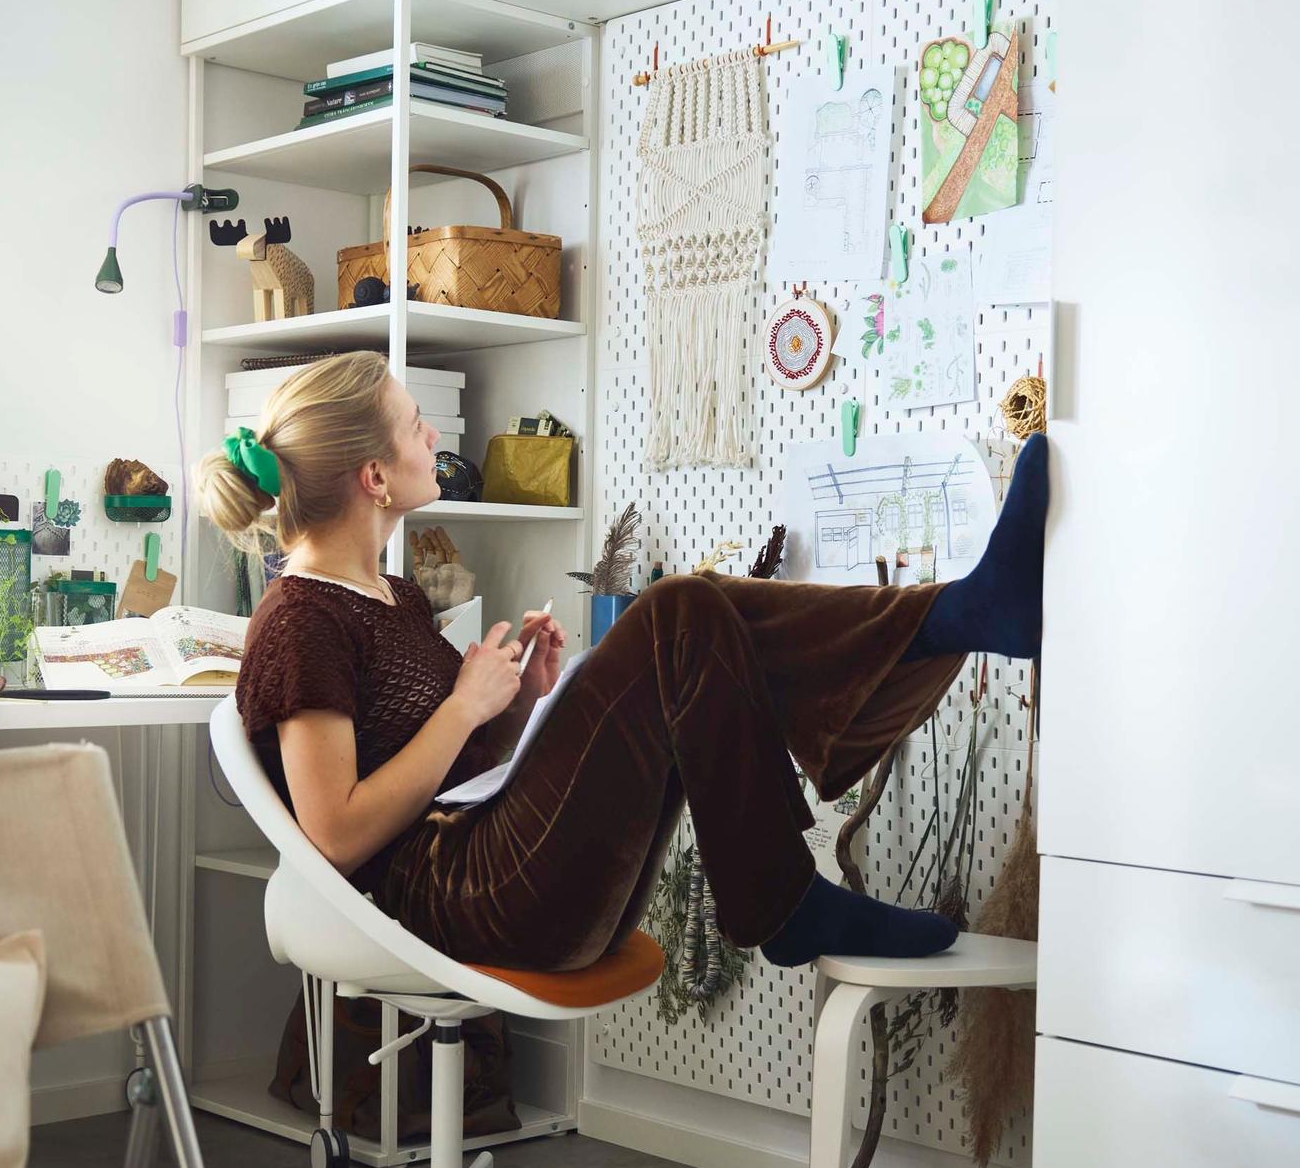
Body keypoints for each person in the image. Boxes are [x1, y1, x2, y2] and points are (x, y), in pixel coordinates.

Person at [196, 351, 1048, 975]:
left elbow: (454, 777)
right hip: (452, 905)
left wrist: (520, 708)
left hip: (494, 869)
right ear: (374, 477)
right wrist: (463, 706)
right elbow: (337, 837)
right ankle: (952, 629)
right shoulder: (299, 619)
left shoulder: (392, 594)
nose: (432, 435)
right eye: (416, 423)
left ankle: (956, 621)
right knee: (677, 610)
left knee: (691, 614)